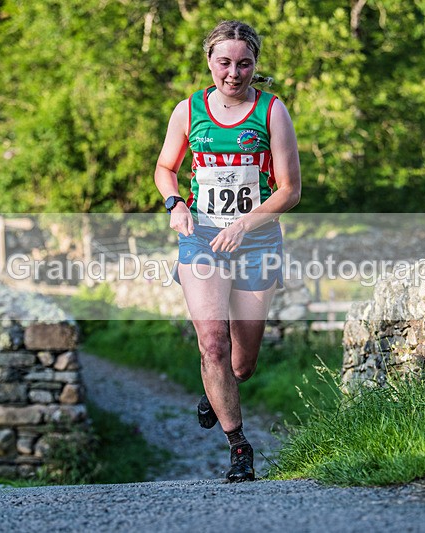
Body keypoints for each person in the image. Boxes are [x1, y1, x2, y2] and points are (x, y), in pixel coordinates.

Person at [154, 20, 301, 482]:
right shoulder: (189, 110)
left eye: (244, 63)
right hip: (200, 240)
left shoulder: (272, 111)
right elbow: (164, 167)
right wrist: (175, 203)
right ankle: (239, 446)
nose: (233, 73)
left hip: (255, 241)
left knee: (242, 362)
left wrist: (245, 223)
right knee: (212, 343)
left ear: (255, 64)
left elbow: (290, 191)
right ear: (210, 62)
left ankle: (219, 390)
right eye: (224, 62)